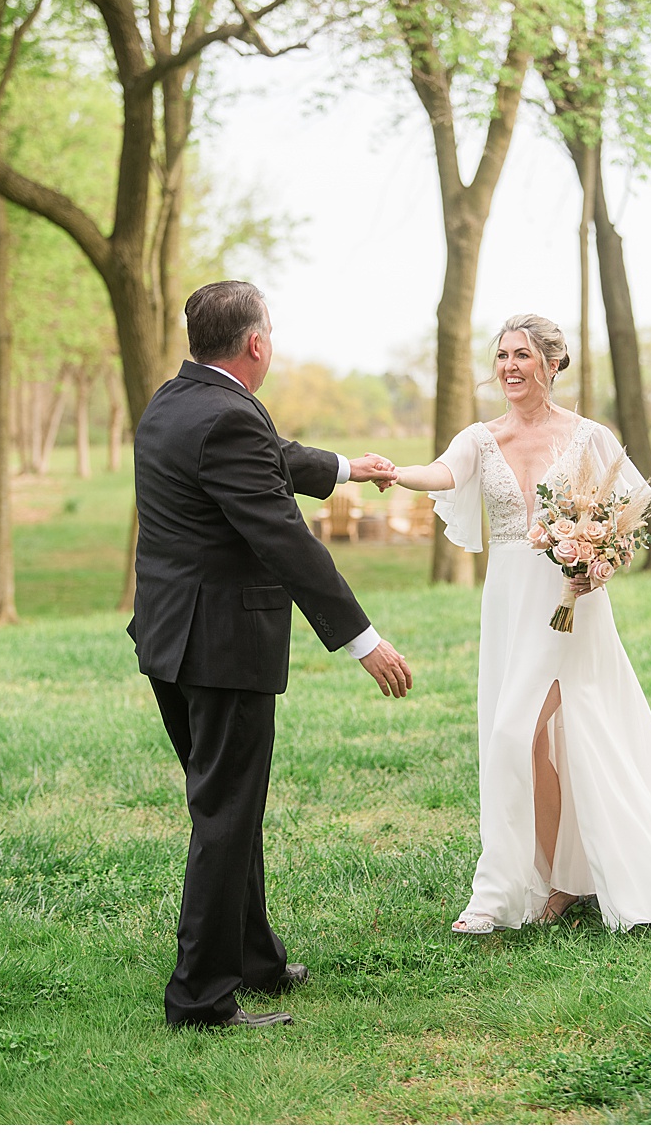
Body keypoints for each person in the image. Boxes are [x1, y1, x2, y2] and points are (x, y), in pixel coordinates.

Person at [388, 314, 651, 933]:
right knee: (530, 742)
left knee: (516, 735)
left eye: (522, 355)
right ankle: (556, 879)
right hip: (508, 605)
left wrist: (600, 563)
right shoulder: (480, 437)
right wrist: (395, 473)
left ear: (552, 363)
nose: (510, 367)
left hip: (569, 608)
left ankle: (497, 893)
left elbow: (628, 519)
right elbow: (441, 474)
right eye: (502, 356)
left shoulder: (588, 439)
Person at [130, 281, 412, 1029]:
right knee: (225, 815)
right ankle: (200, 997)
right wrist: (363, 639)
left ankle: (256, 960)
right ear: (255, 343)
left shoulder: (175, 401)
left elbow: (273, 458)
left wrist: (351, 468)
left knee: (230, 808)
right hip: (222, 648)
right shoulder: (226, 416)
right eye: (273, 333)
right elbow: (284, 539)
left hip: (169, 641)